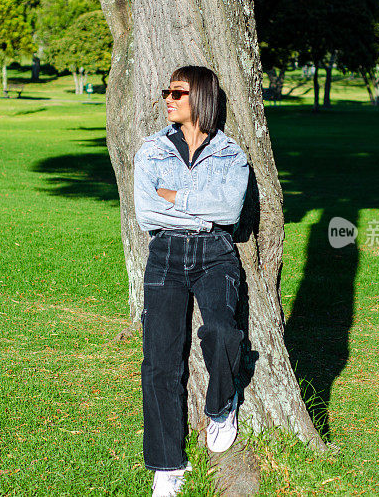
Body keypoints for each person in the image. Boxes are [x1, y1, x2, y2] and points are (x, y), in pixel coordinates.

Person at [133, 66, 249, 497]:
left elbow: (229, 211)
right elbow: (147, 210)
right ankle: (167, 464)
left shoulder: (230, 154)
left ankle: (221, 407)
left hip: (216, 252)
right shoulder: (150, 150)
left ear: (199, 97)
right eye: (167, 91)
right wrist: (199, 207)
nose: (168, 98)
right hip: (165, 254)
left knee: (221, 330)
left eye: (177, 92)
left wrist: (175, 197)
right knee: (160, 360)